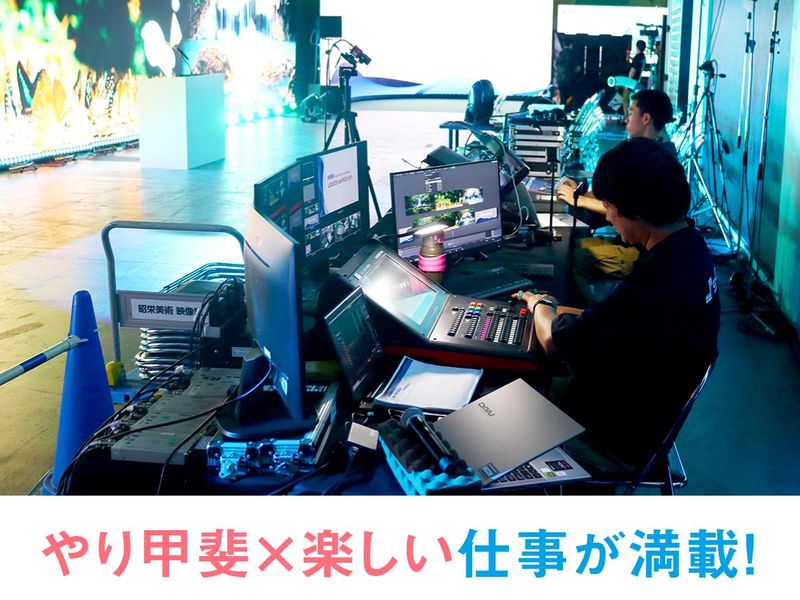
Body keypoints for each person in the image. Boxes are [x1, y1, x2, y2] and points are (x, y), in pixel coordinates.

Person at [515, 138, 720, 481]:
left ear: (635, 210)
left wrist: (540, 305)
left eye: (609, 207)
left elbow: (556, 345)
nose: (608, 216)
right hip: (646, 408)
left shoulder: (655, 281)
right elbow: (624, 322)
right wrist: (570, 313)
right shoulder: (690, 247)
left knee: (503, 387)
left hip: (611, 439)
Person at [556, 89, 677, 302]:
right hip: (629, 244)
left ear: (646, 118)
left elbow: (627, 207)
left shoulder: (656, 162)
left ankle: (593, 315)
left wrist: (579, 200)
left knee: (568, 259)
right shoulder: (651, 152)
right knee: (566, 247)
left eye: (630, 112)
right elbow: (617, 195)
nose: (625, 118)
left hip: (638, 253)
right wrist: (581, 193)